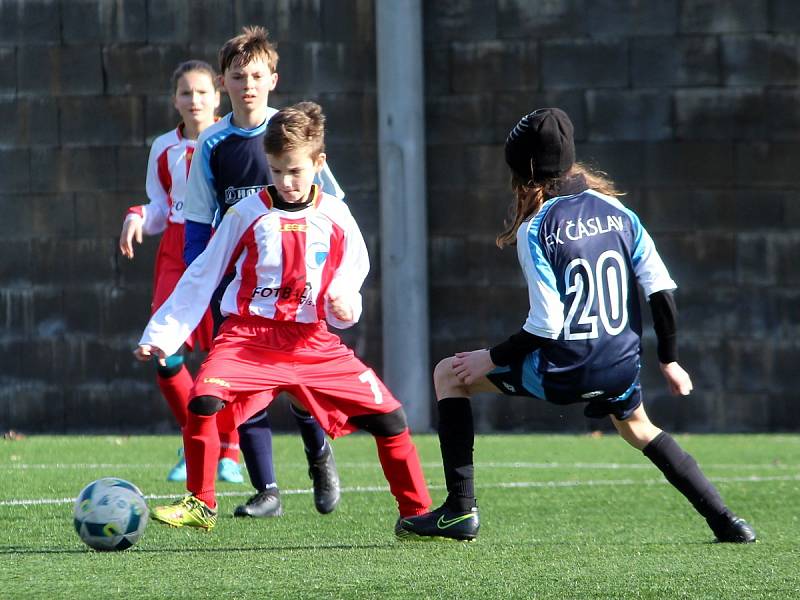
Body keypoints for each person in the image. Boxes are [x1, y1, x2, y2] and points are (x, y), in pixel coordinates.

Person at [396, 108, 757, 544]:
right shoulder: (618, 210)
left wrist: (486, 359)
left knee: (447, 375)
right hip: (620, 367)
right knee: (640, 428)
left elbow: (546, 327)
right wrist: (670, 358)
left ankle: (459, 511)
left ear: (522, 172)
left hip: (563, 372)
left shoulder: (536, 228)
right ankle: (727, 521)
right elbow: (660, 290)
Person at [136, 102, 432, 531]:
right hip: (248, 337)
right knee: (203, 399)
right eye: (276, 171)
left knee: (392, 418)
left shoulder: (336, 215)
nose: (286, 182)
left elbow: (354, 270)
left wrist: (347, 301)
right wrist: (161, 335)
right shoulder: (246, 214)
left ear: (319, 163)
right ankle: (202, 502)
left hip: (311, 340)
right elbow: (203, 273)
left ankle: (417, 514)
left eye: (295, 171)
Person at [182, 26, 344, 518]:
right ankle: (267, 489)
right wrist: (198, 285)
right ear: (223, 83)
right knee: (243, 385)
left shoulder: (288, 132)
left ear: (272, 79)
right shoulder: (212, 143)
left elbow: (335, 206)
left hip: (297, 287)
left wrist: (333, 277)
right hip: (236, 289)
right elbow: (196, 222)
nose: (247, 85)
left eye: (256, 75)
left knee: (300, 381)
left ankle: (320, 458)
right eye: (237, 76)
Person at [119, 60, 244, 485]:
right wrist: (137, 215)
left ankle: (229, 449)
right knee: (164, 351)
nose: (195, 100)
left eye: (203, 92)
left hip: (221, 244)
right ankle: (195, 436)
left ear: (218, 95)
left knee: (220, 357)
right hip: (177, 250)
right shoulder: (163, 148)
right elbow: (159, 206)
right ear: (175, 99)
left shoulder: (227, 141)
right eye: (186, 93)